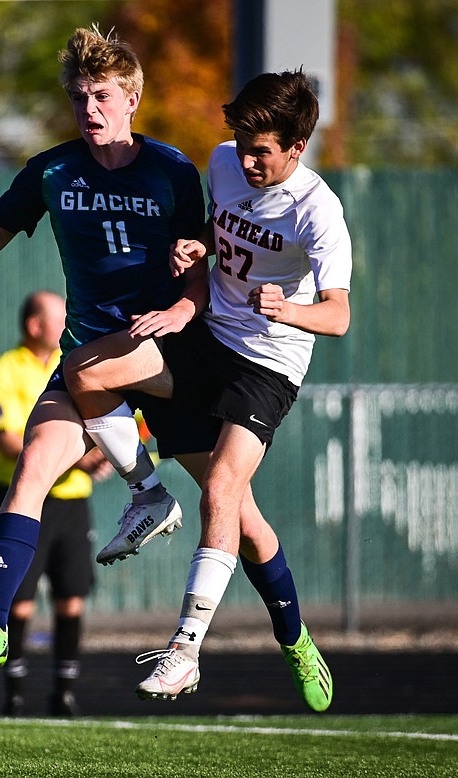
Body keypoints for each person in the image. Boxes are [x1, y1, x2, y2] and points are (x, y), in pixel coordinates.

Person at [62, 69, 350, 712]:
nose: (245, 159)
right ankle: (147, 494)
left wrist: (289, 308)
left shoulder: (318, 210)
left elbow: (339, 315)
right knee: (84, 370)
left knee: (225, 492)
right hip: (207, 342)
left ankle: (189, 652)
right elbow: (216, 245)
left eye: (262, 151)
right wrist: (197, 250)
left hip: (266, 366)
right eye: (241, 144)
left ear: (297, 148)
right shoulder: (222, 163)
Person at [0, 25, 209, 674]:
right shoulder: (52, 170)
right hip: (89, 355)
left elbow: (202, 270)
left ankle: (292, 632)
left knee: (239, 515)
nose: (90, 108)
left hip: (163, 356)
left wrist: (181, 292)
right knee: (31, 471)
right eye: (81, 96)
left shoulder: (172, 169)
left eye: (103, 95)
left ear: (132, 99)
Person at [0, 290, 114, 717]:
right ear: (35, 326)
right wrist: (79, 461)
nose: (67, 324)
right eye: (60, 317)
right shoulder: (6, 367)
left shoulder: (78, 365)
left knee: (71, 598)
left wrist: (103, 452)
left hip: (73, 504)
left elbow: (126, 424)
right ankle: (14, 694)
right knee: (18, 601)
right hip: (23, 503)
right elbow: (9, 444)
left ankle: (64, 694)